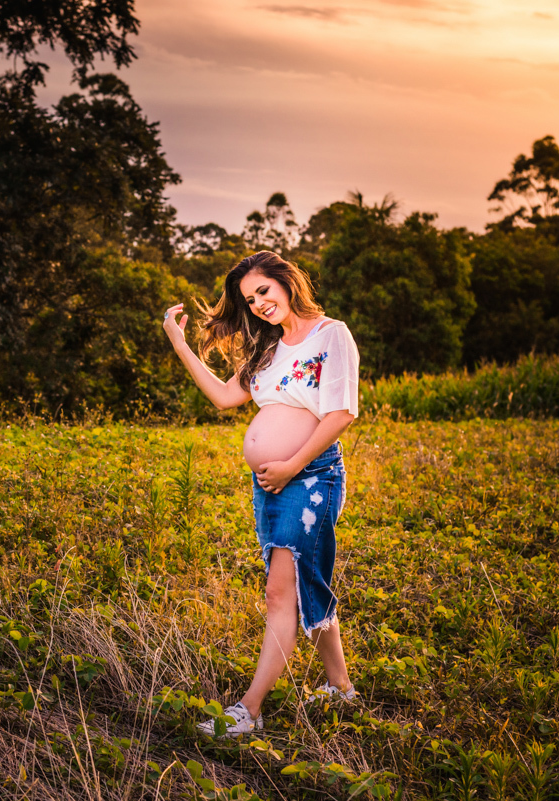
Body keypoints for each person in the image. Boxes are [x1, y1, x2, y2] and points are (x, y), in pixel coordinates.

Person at [161, 251, 361, 738]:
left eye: (264, 291)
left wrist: (292, 463)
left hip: (310, 478)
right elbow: (227, 397)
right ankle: (342, 689)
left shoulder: (330, 334)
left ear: (287, 282)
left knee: (279, 591)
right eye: (250, 300)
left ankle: (249, 710)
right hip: (272, 484)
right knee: (304, 583)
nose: (258, 304)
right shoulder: (268, 348)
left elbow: (341, 414)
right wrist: (180, 344)